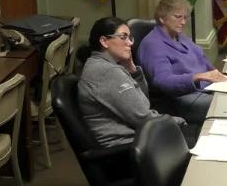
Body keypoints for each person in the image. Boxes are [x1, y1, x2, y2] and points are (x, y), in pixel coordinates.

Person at [78, 17, 185, 147]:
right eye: (123, 37)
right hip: (127, 147)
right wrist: (176, 121)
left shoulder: (104, 65)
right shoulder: (106, 72)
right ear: (104, 41)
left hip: (137, 139)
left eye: (130, 38)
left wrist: (132, 71)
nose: (130, 43)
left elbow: (143, 102)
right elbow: (143, 117)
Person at [138, 0, 227, 124]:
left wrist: (218, 76)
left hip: (205, 88)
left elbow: (202, 60)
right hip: (181, 98)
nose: (183, 22)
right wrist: (196, 77)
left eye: (185, 17)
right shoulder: (153, 45)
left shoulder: (179, 36)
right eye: (178, 17)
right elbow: (163, 81)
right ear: (162, 18)